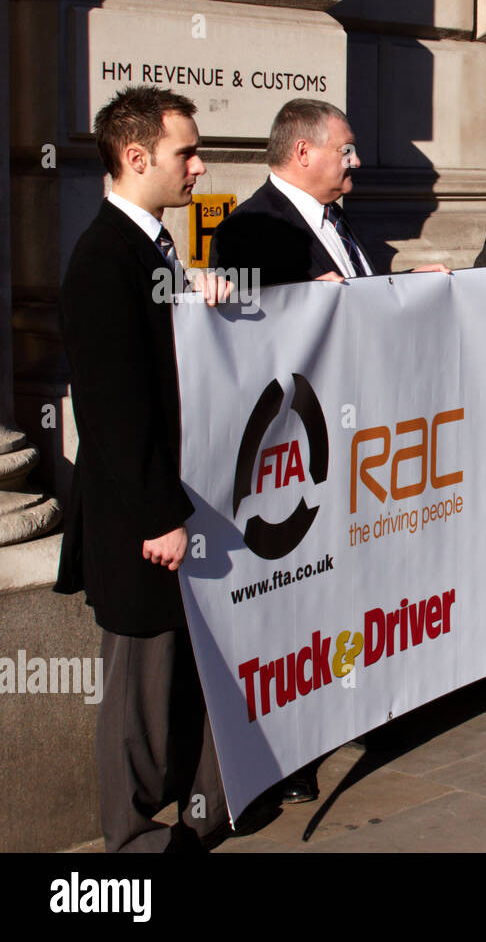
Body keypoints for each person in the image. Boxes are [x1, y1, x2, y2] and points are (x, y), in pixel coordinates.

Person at [53, 85, 229, 852]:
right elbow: (112, 407)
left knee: (183, 675)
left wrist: (207, 292)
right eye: (185, 151)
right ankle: (126, 837)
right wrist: (158, 515)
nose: (199, 166)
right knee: (140, 683)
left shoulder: (153, 248)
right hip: (141, 519)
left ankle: (199, 810)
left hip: (178, 508)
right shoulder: (103, 258)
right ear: (136, 157)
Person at [210, 98, 448, 284]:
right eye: (346, 151)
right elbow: (246, 324)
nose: (356, 162)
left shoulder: (333, 215)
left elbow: (356, 289)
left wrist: (410, 280)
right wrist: (305, 299)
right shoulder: (243, 232)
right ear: (303, 153)